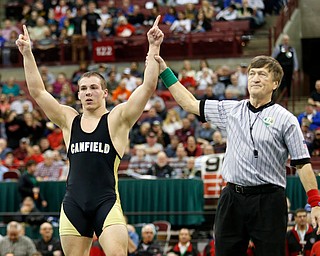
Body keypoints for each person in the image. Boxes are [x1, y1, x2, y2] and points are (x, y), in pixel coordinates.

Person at [16, 15, 163, 256]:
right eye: (83, 88)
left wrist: (153, 47)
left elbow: (147, 87)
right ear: (78, 95)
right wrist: (27, 54)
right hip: (73, 205)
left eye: (94, 87)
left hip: (106, 203)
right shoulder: (68, 120)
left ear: (105, 92)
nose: (88, 92)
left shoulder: (117, 119)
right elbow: (38, 92)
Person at [154, 54, 320, 256]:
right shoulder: (231, 109)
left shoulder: (286, 119)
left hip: (269, 200)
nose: (255, 78)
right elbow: (189, 103)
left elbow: (302, 164)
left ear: (275, 83)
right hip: (232, 198)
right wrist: (164, 71)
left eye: (262, 74)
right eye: (252, 73)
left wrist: (315, 203)